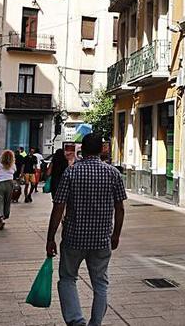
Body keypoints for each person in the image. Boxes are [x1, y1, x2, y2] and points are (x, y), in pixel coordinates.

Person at [47, 132, 126, 326]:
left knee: (67, 278)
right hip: (101, 239)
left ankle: (75, 321)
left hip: (74, 238)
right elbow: (120, 208)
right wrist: (115, 235)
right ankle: (96, 322)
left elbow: (59, 207)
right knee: (100, 283)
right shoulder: (113, 173)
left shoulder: (71, 172)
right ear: (101, 150)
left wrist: (50, 238)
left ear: (82, 149)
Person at [0, 149, 16, 230]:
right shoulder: (13, 165)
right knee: (7, 201)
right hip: (10, 183)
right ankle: (5, 215)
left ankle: (0, 219)